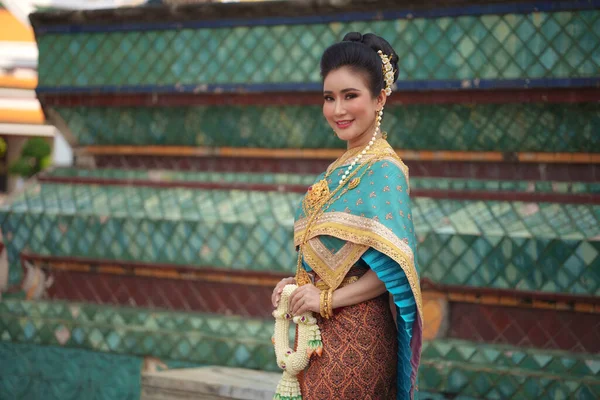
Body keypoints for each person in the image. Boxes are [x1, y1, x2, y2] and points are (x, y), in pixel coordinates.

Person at [271, 32, 423, 400]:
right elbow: (332, 259)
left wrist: (324, 301)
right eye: (329, 98)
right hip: (319, 338)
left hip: (359, 339)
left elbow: (391, 272)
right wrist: (293, 284)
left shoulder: (384, 169)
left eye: (350, 96)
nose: (337, 110)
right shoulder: (339, 168)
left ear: (380, 98)